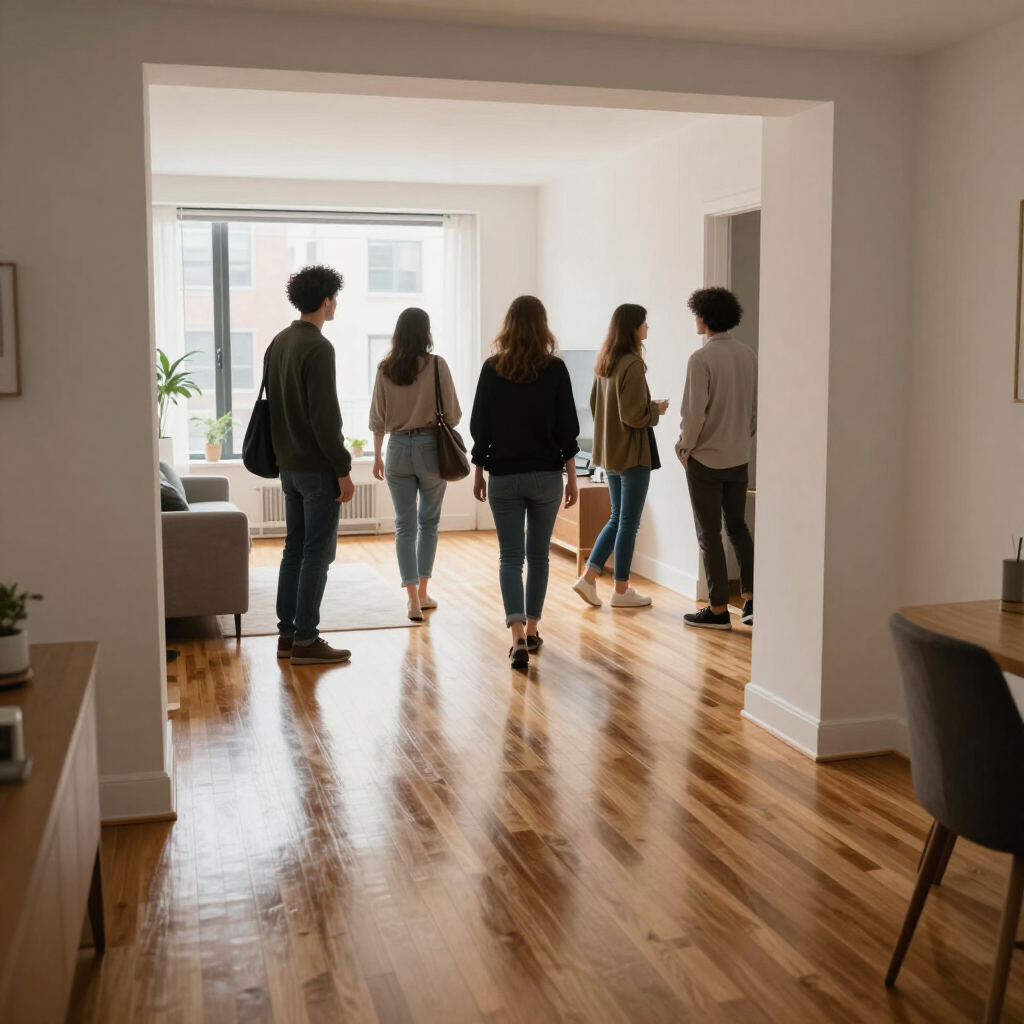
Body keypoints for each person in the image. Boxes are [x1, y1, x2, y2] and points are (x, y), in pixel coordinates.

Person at [470, 296, 580, 670]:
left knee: (510, 558)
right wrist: (574, 477)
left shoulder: (492, 368)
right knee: (538, 556)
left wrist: (478, 470)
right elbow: (568, 428)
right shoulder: (556, 369)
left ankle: (516, 635)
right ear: (542, 326)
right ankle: (533, 630)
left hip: (503, 476)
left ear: (508, 325)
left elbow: (480, 426)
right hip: (547, 476)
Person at [267, 265, 355, 665]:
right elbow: (325, 418)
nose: (335, 305)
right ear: (325, 301)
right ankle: (306, 640)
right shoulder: (319, 348)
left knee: (294, 549)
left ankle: (287, 636)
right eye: (335, 298)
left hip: (288, 466)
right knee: (317, 553)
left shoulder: (278, 342)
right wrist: (343, 468)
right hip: (318, 469)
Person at [573, 304, 668, 609]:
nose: (648, 328)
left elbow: (598, 405)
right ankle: (621, 590)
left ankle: (588, 578)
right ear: (634, 328)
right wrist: (656, 409)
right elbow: (633, 415)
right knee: (628, 522)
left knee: (617, 518)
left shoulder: (605, 363)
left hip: (609, 454)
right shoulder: (633, 364)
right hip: (632, 453)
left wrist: (643, 406)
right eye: (645, 323)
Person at [369, 308, 461, 621]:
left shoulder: (385, 368)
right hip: (430, 447)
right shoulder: (437, 366)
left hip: (395, 448)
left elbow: (377, 419)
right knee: (428, 523)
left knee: (403, 525)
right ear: (426, 332)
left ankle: (410, 599)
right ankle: (423, 593)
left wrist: (377, 455)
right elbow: (454, 415)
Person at [676, 286, 757, 630]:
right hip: (739, 457)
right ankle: (753, 603)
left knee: (709, 533)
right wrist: (740, 439)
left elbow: (694, 415)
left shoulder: (701, 358)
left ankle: (719, 609)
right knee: (737, 527)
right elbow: (754, 411)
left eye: (697, 313)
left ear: (705, 317)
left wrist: (684, 448)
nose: (696, 319)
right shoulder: (748, 354)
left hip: (705, 461)